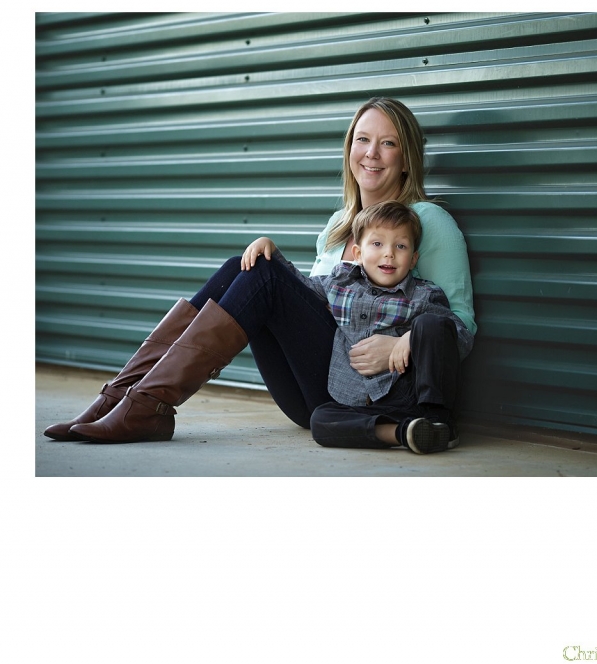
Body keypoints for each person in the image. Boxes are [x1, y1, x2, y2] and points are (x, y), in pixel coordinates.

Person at [43, 97, 476, 444]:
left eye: (388, 143)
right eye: (362, 140)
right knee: (245, 265)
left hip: (366, 392)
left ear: (407, 157)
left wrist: (403, 343)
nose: (372, 153)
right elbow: (312, 299)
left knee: (262, 274)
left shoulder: (426, 221)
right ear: (348, 150)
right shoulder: (337, 228)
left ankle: (147, 407)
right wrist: (278, 261)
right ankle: (121, 398)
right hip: (309, 389)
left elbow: (460, 324)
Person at [253, 201, 473, 453]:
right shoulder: (340, 282)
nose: (388, 253)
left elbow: (459, 336)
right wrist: (272, 252)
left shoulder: (424, 295)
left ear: (413, 259)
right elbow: (297, 289)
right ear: (358, 254)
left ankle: (438, 424)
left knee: (432, 323)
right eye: (377, 244)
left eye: (400, 246)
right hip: (362, 403)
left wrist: (411, 338)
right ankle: (405, 433)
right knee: (321, 419)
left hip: (410, 394)